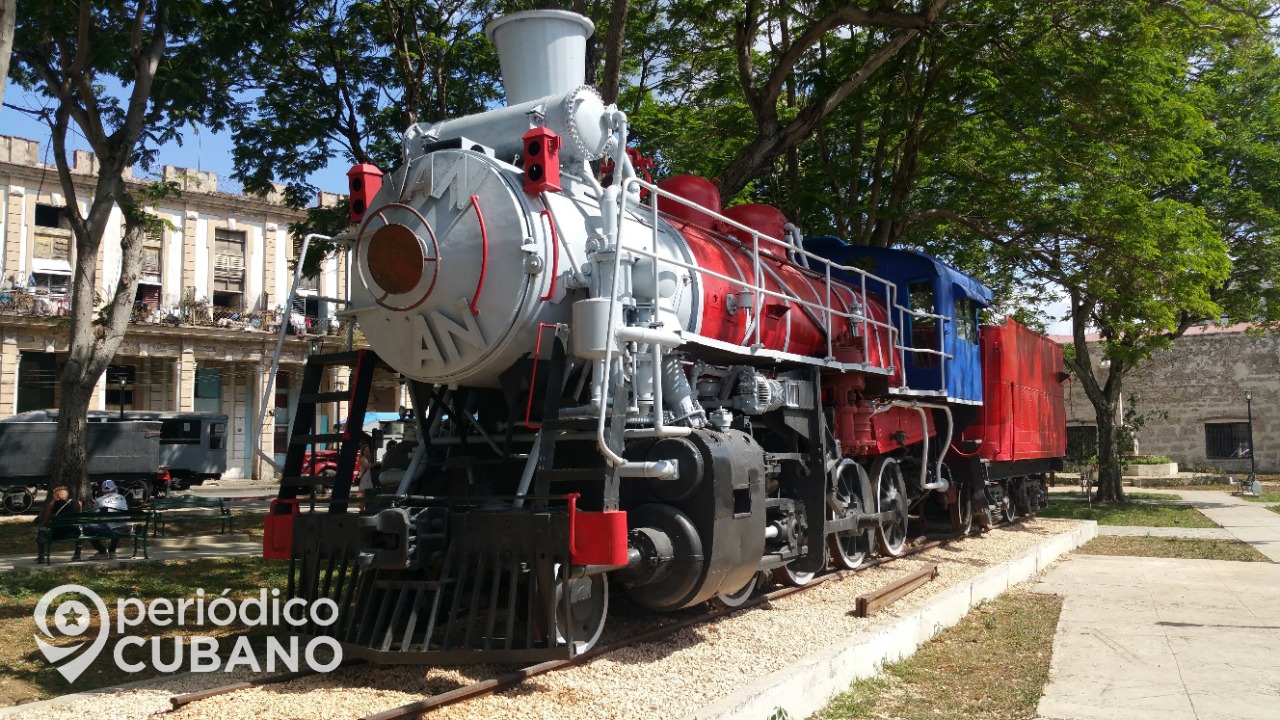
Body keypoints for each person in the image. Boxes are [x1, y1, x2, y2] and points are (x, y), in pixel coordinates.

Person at [84, 480, 132, 560]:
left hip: (113, 530)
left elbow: (95, 518)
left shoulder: (99, 500)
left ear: (102, 491)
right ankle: (112, 551)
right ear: (114, 489)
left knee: (86, 528)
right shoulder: (122, 498)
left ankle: (102, 551)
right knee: (117, 524)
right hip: (127, 528)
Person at [35, 486, 82, 562]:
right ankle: (77, 554)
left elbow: (46, 521)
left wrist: (43, 526)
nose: (52, 498)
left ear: (57, 496)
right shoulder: (79, 503)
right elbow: (77, 519)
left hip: (57, 534)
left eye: (53, 496)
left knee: (42, 529)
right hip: (75, 533)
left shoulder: (52, 504)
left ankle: (41, 556)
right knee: (80, 528)